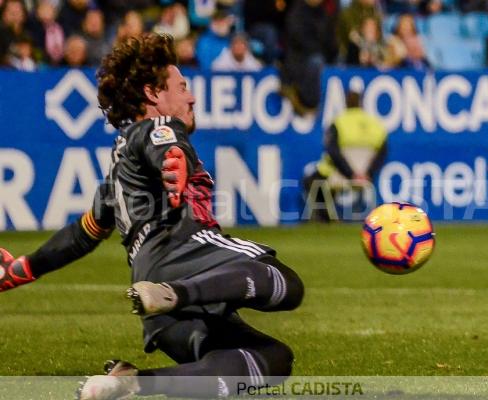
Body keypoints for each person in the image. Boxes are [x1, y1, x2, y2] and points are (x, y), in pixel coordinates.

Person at [0, 33, 304, 400]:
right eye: (182, 86)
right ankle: (176, 293)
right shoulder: (156, 128)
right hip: (184, 255)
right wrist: (175, 159)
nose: (191, 96)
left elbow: (80, 236)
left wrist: (23, 268)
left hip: (156, 308)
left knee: (272, 359)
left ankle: (130, 383)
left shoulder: (116, 178)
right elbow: (165, 143)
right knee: (285, 282)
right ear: (153, 94)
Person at [302, 87, 388, 222]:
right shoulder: (376, 125)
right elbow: (382, 153)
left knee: (311, 181)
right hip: (365, 177)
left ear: (346, 103)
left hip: (339, 175)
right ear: (361, 103)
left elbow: (333, 152)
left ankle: (325, 219)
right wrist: (367, 173)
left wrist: (351, 174)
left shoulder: (339, 122)